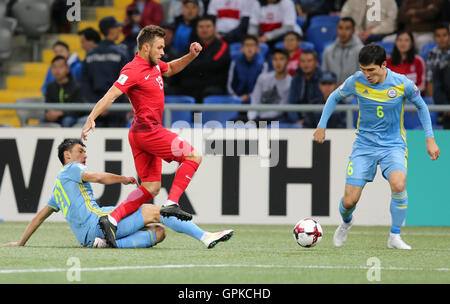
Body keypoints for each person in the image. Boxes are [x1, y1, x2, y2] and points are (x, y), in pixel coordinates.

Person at [80, 25, 222, 248]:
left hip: (140, 133)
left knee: (151, 186)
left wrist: (191, 55)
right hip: (148, 131)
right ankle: (172, 202)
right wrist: (92, 117)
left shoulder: (155, 65)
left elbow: (172, 68)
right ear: (145, 47)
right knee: (193, 156)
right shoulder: (133, 69)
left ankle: (112, 219)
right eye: (159, 47)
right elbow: (111, 95)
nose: (163, 52)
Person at [313, 43, 440, 250]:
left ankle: (395, 236)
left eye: (371, 70)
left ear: (383, 65)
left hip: (393, 146)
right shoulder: (356, 81)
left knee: (398, 184)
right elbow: (335, 96)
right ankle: (346, 222)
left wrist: (430, 138)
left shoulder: (401, 83)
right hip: (364, 146)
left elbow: (421, 106)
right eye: (363, 69)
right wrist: (321, 125)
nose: (366, 75)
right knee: (349, 201)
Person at [1, 139, 233, 249]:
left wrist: (21, 242)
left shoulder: (57, 190)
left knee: (159, 233)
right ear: (67, 156)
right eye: (80, 151)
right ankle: (205, 237)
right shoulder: (72, 169)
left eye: (85, 152)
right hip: (98, 223)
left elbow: (39, 217)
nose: (84, 155)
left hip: (86, 238)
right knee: (154, 210)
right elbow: (99, 177)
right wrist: (123, 179)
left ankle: (104, 244)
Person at [81, 16, 130, 128]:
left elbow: (85, 83)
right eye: (117, 27)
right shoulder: (121, 53)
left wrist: (98, 105)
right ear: (111, 30)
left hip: (96, 107)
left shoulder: (90, 54)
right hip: (116, 107)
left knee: (95, 141)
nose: (119, 30)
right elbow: (126, 81)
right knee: (115, 142)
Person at [173, 15, 231, 103]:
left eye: (208, 26)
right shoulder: (191, 45)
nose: (204, 30)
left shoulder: (222, 46)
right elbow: (182, 64)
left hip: (213, 86)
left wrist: (193, 64)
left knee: (207, 93)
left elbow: (215, 64)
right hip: (192, 85)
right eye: (201, 27)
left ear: (215, 29)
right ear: (196, 29)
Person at [227, 34, 268, 121]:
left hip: (254, 101)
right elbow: (230, 84)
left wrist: (249, 96)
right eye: (247, 45)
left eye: (252, 45)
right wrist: (236, 96)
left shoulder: (263, 65)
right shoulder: (235, 63)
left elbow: (262, 87)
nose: (249, 48)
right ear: (242, 48)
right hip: (237, 99)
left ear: (258, 48)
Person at [247, 48, 291, 123]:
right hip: (257, 117)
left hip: (274, 119)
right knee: (232, 123)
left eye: (281, 59)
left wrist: (259, 120)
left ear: (287, 61)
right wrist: (252, 118)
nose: (278, 63)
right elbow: (255, 99)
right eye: (275, 59)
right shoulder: (262, 78)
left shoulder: (291, 82)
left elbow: (281, 109)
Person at [42, 56, 85, 127]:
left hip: (71, 117)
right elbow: (47, 105)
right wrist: (49, 114)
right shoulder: (50, 87)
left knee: (67, 121)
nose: (57, 70)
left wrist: (62, 113)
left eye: (60, 67)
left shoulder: (77, 86)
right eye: (54, 67)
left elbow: (79, 109)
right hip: (55, 117)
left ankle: (68, 138)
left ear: (67, 69)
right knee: (43, 121)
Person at [321, 17, 363, 85]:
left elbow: (362, 78)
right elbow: (324, 76)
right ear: (337, 29)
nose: (343, 32)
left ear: (353, 31)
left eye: (347, 28)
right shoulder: (328, 51)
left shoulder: (361, 51)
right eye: (340, 28)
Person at [286, 49, 323, 126]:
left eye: (309, 61)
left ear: (316, 63)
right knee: (273, 127)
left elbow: (321, 105)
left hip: (317, 121)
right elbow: (291, 104)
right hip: (297, 121)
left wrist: (306, 121)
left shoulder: (323, 79)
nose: (306, 64)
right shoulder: (295, 79)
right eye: (303, 61)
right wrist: (297, 121)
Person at [426, 24, 450, 97]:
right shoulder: (431, 53)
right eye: (438, 36)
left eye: (444, 35)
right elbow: (430, 80)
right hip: (439, 94)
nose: (442, 38)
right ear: (434, 38)